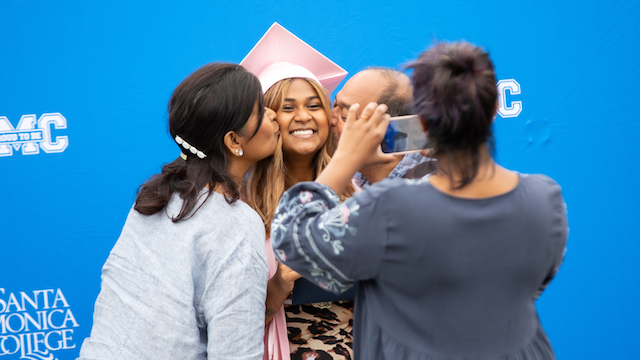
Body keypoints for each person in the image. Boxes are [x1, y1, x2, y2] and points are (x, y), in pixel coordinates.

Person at [271, 41, 568, 359]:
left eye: (344, 114)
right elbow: (536, 282)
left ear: (418, 125)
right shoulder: (545, 197)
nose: (329, 120)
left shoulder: (390, 207)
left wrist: (343, 159)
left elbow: (293, 241)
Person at [78, 63, 280, 360]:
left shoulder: (156, 196)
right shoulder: (235, 223)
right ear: (234, 141)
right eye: (261, 111)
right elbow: (236, 352)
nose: (273, 114)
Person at [241, 23, 354, 360]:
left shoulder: (358, 191)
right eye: (287, 108)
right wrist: (277, 287)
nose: (303, 117)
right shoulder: (244, 207)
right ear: (268, 119)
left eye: (314, 105)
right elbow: (231, 325)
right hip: (286, 348)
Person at [331, 67, 434, 188]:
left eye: (344, 116)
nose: (329, 117)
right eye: (334, 104)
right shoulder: (349, 175)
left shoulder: (438, 185)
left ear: (390, 132)